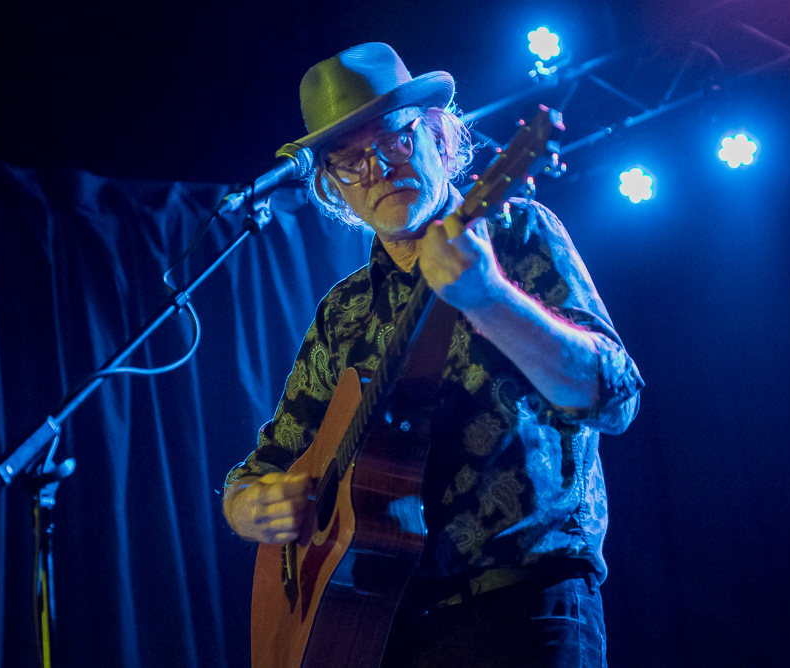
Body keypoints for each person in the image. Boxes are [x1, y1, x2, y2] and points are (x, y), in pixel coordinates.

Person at [222, 42, 644, 667]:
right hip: (383, 630)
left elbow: (615, 397)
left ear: (440, 137)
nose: (377, 170)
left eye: (392, 139)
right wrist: (248, 507)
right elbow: (260, 468)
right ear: (333, 187)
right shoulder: (345, 312)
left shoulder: (517, 232)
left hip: (523, 606)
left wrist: (491, 298)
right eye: (349, 161)